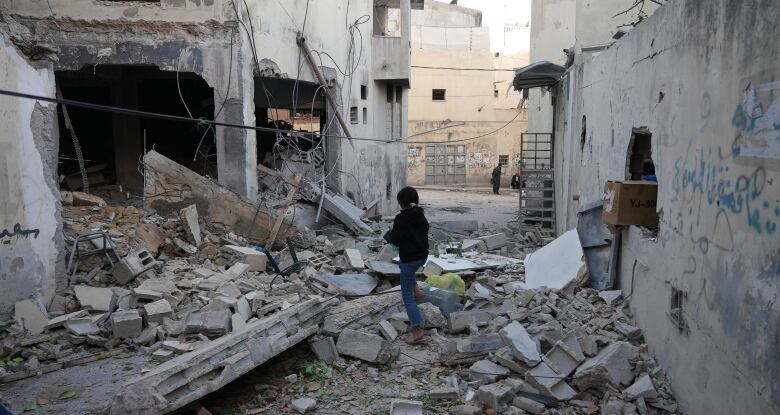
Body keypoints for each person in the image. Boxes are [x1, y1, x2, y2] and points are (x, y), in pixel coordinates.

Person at [384, 186, 430, 344]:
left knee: (407, 297)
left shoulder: (401, 218)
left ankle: (417, 329)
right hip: (422, 257)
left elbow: (395, 240)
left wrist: (390, 234)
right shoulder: (421, 215)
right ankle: (416, 290)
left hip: (409, 259)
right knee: (409, 272)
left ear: (401, 203)